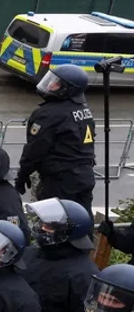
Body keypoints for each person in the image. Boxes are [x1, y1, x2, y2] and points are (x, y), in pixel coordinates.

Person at [19, 198, 97, 312]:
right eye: (42, 223)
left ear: (64, 233)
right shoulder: (30, 253)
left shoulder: (84, 275)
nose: (41, 228)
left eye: (48, 227)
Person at [17, 64, 97, 211]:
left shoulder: (49, 113)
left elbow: (35, 149)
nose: (50, 85)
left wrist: (23, 174)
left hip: (60, 180)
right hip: (85, 175)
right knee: (82, 220)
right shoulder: (82, 109)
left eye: (56, 84)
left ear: (67, 89)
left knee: (54, 222)